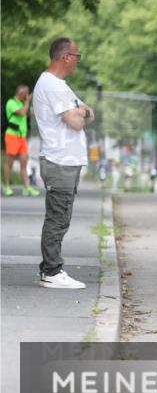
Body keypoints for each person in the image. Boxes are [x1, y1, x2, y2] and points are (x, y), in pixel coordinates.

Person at [33, 38, 94, 289]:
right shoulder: (52, 86)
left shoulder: (59, 85)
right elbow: (77, 121)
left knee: (61, 217)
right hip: (60, 160)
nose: (79, 60)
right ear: (65, 57)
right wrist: (80, 111)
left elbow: (89, 112)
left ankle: (51, 269)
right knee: (57, 218)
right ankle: (51, 271)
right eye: (77, 56)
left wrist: (81, 110)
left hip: (65, 161)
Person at [4, 84, 41, 196]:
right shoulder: (11, 102)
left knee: (24, 162)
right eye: (26, 93)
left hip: (22, 137)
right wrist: (27, 102)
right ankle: (7, 187)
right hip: (12, 136)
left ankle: (26, 187)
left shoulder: (23, 104)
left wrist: (31, 102)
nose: (27, 96)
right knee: (9, 162)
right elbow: (21, 113)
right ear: (21, 94)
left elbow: (30, 114)